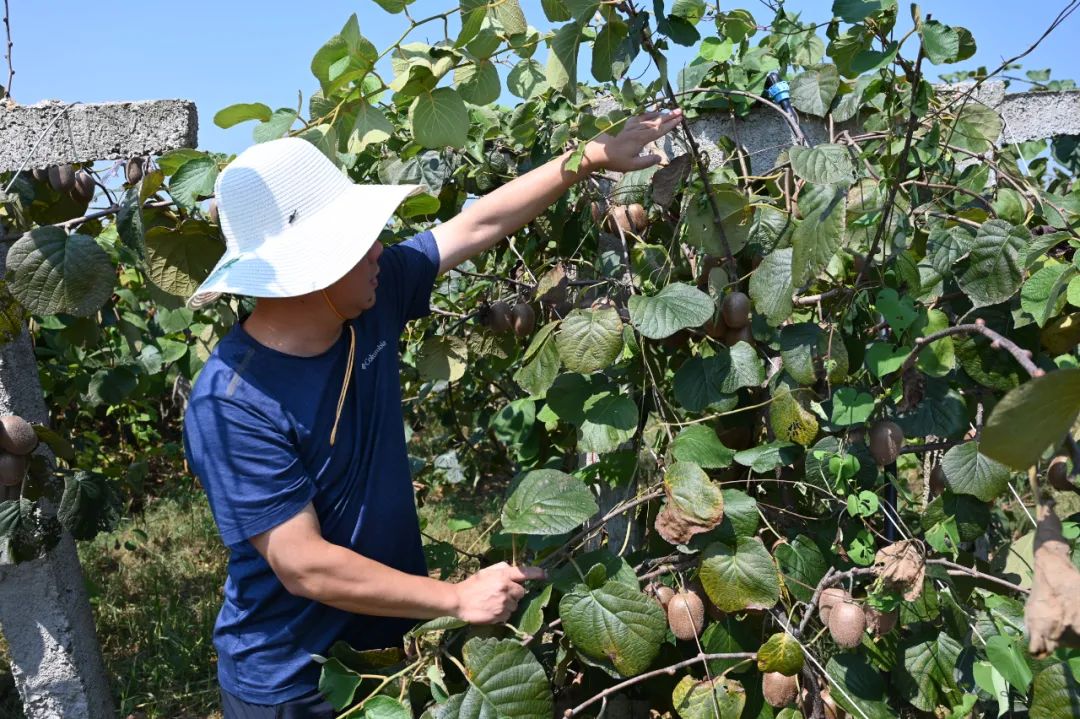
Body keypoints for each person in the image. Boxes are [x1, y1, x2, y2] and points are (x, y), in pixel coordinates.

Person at [182, 109, 683, 718]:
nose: (380, 246)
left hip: (392, 653)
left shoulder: (369, 297)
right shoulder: (231, 404)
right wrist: (456, 598)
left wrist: (588, 159)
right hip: (295, 684)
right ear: (310, 269)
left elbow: (476, 223)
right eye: (357, 237)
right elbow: (303, 565)